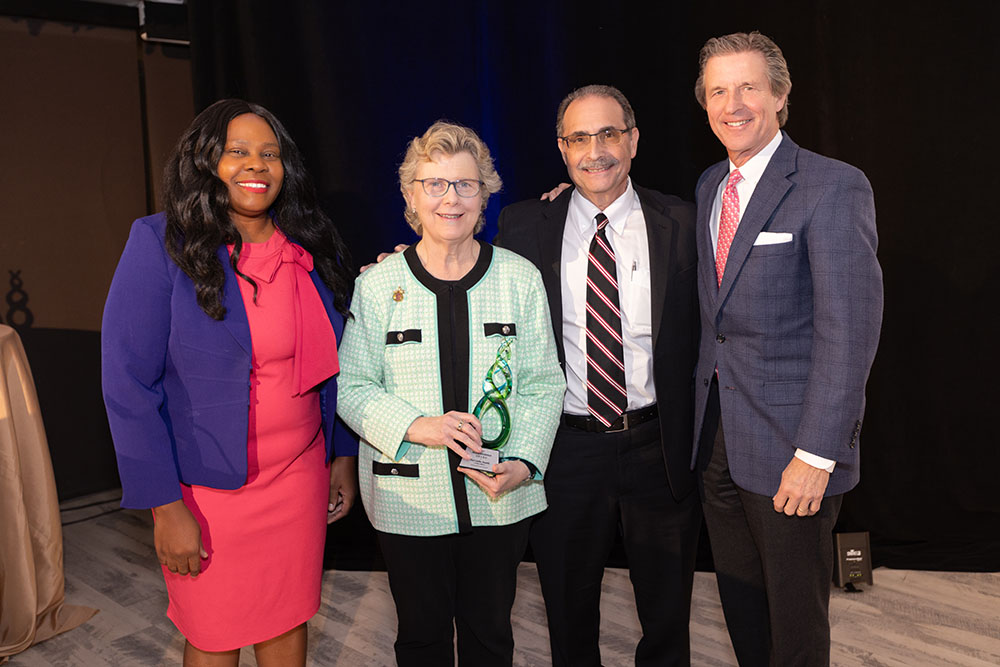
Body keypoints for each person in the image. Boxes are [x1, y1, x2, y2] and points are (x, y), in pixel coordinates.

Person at [101, 99, 357, 666]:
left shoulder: (310, 245)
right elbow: (127, 385)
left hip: (299, 478)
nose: (256, 165)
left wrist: (341, 456)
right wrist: (164, 507)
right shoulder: (160, 244)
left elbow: (339, 368)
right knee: (214, 633)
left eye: (270, 154)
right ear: (206, 161)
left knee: (288, 619)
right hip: (207, 493)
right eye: (237, 152)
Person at [336, 121, 565, 667]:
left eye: (465, 184)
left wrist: (525, 464)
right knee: (421, 637)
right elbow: (352, 386)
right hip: (406, 497)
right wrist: (421, 427)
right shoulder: (376, 286)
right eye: (434, 184)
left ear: (484, 193)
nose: (450, 198)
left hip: (498, 495)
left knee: (491, 635)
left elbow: (543, 383)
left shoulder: (519, 278)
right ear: (411, 195)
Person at [691, 32, 883, 665]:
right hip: (718, 441)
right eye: (718, 90)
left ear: (779, 94)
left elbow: (849, 333)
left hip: (791, 449)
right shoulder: (710, 186)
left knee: (796, 627)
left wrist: (816, 455)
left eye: (748, 86)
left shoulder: (832, 186)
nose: (733, 103)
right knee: (744, 608)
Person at [496, 85, 701, 666]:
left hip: (658, 447)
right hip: (565, 450)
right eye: (579, 137)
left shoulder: (682, 221)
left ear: (633, 141)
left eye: (609, 133)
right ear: (562, 149)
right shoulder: (525, 225)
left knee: (667, 614)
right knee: (568, 610)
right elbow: (474, 286)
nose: (596, 150)